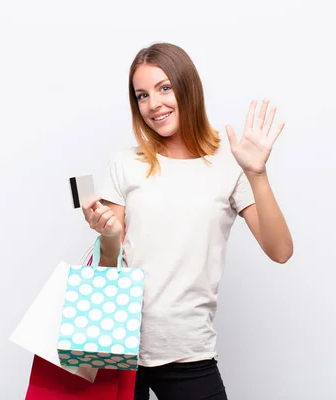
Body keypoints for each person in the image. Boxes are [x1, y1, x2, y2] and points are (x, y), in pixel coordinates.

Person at [81, 42, 293, 400]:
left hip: (188, 351)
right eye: (142, 95)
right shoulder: (124, 164)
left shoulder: (231, 163)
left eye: (165, 88)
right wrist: (111, 239)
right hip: (118, 352)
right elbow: (107, 271)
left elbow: (280, 250)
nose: (154, 104)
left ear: (187, 87)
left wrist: (257, 173)